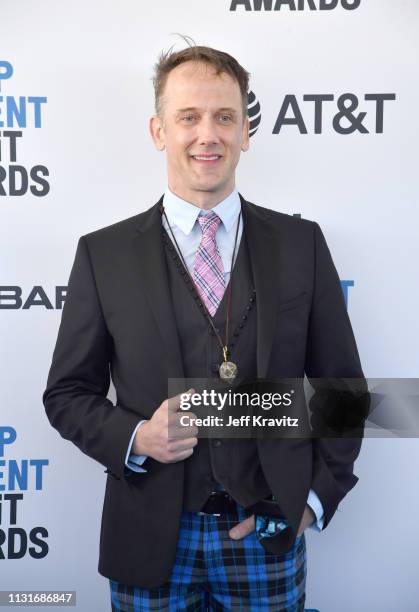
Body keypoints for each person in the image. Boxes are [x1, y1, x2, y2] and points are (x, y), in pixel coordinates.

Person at [43, 41, 366, 611]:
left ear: (246, 130)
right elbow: (67, 394)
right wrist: (136, 437)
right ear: (158, 130)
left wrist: (313, 500)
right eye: (187, 117)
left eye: (224, 116)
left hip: (267, 533)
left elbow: (343, 389)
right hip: (148, 534)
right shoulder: (103, 254)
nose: (207, 134)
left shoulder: (303, 246)